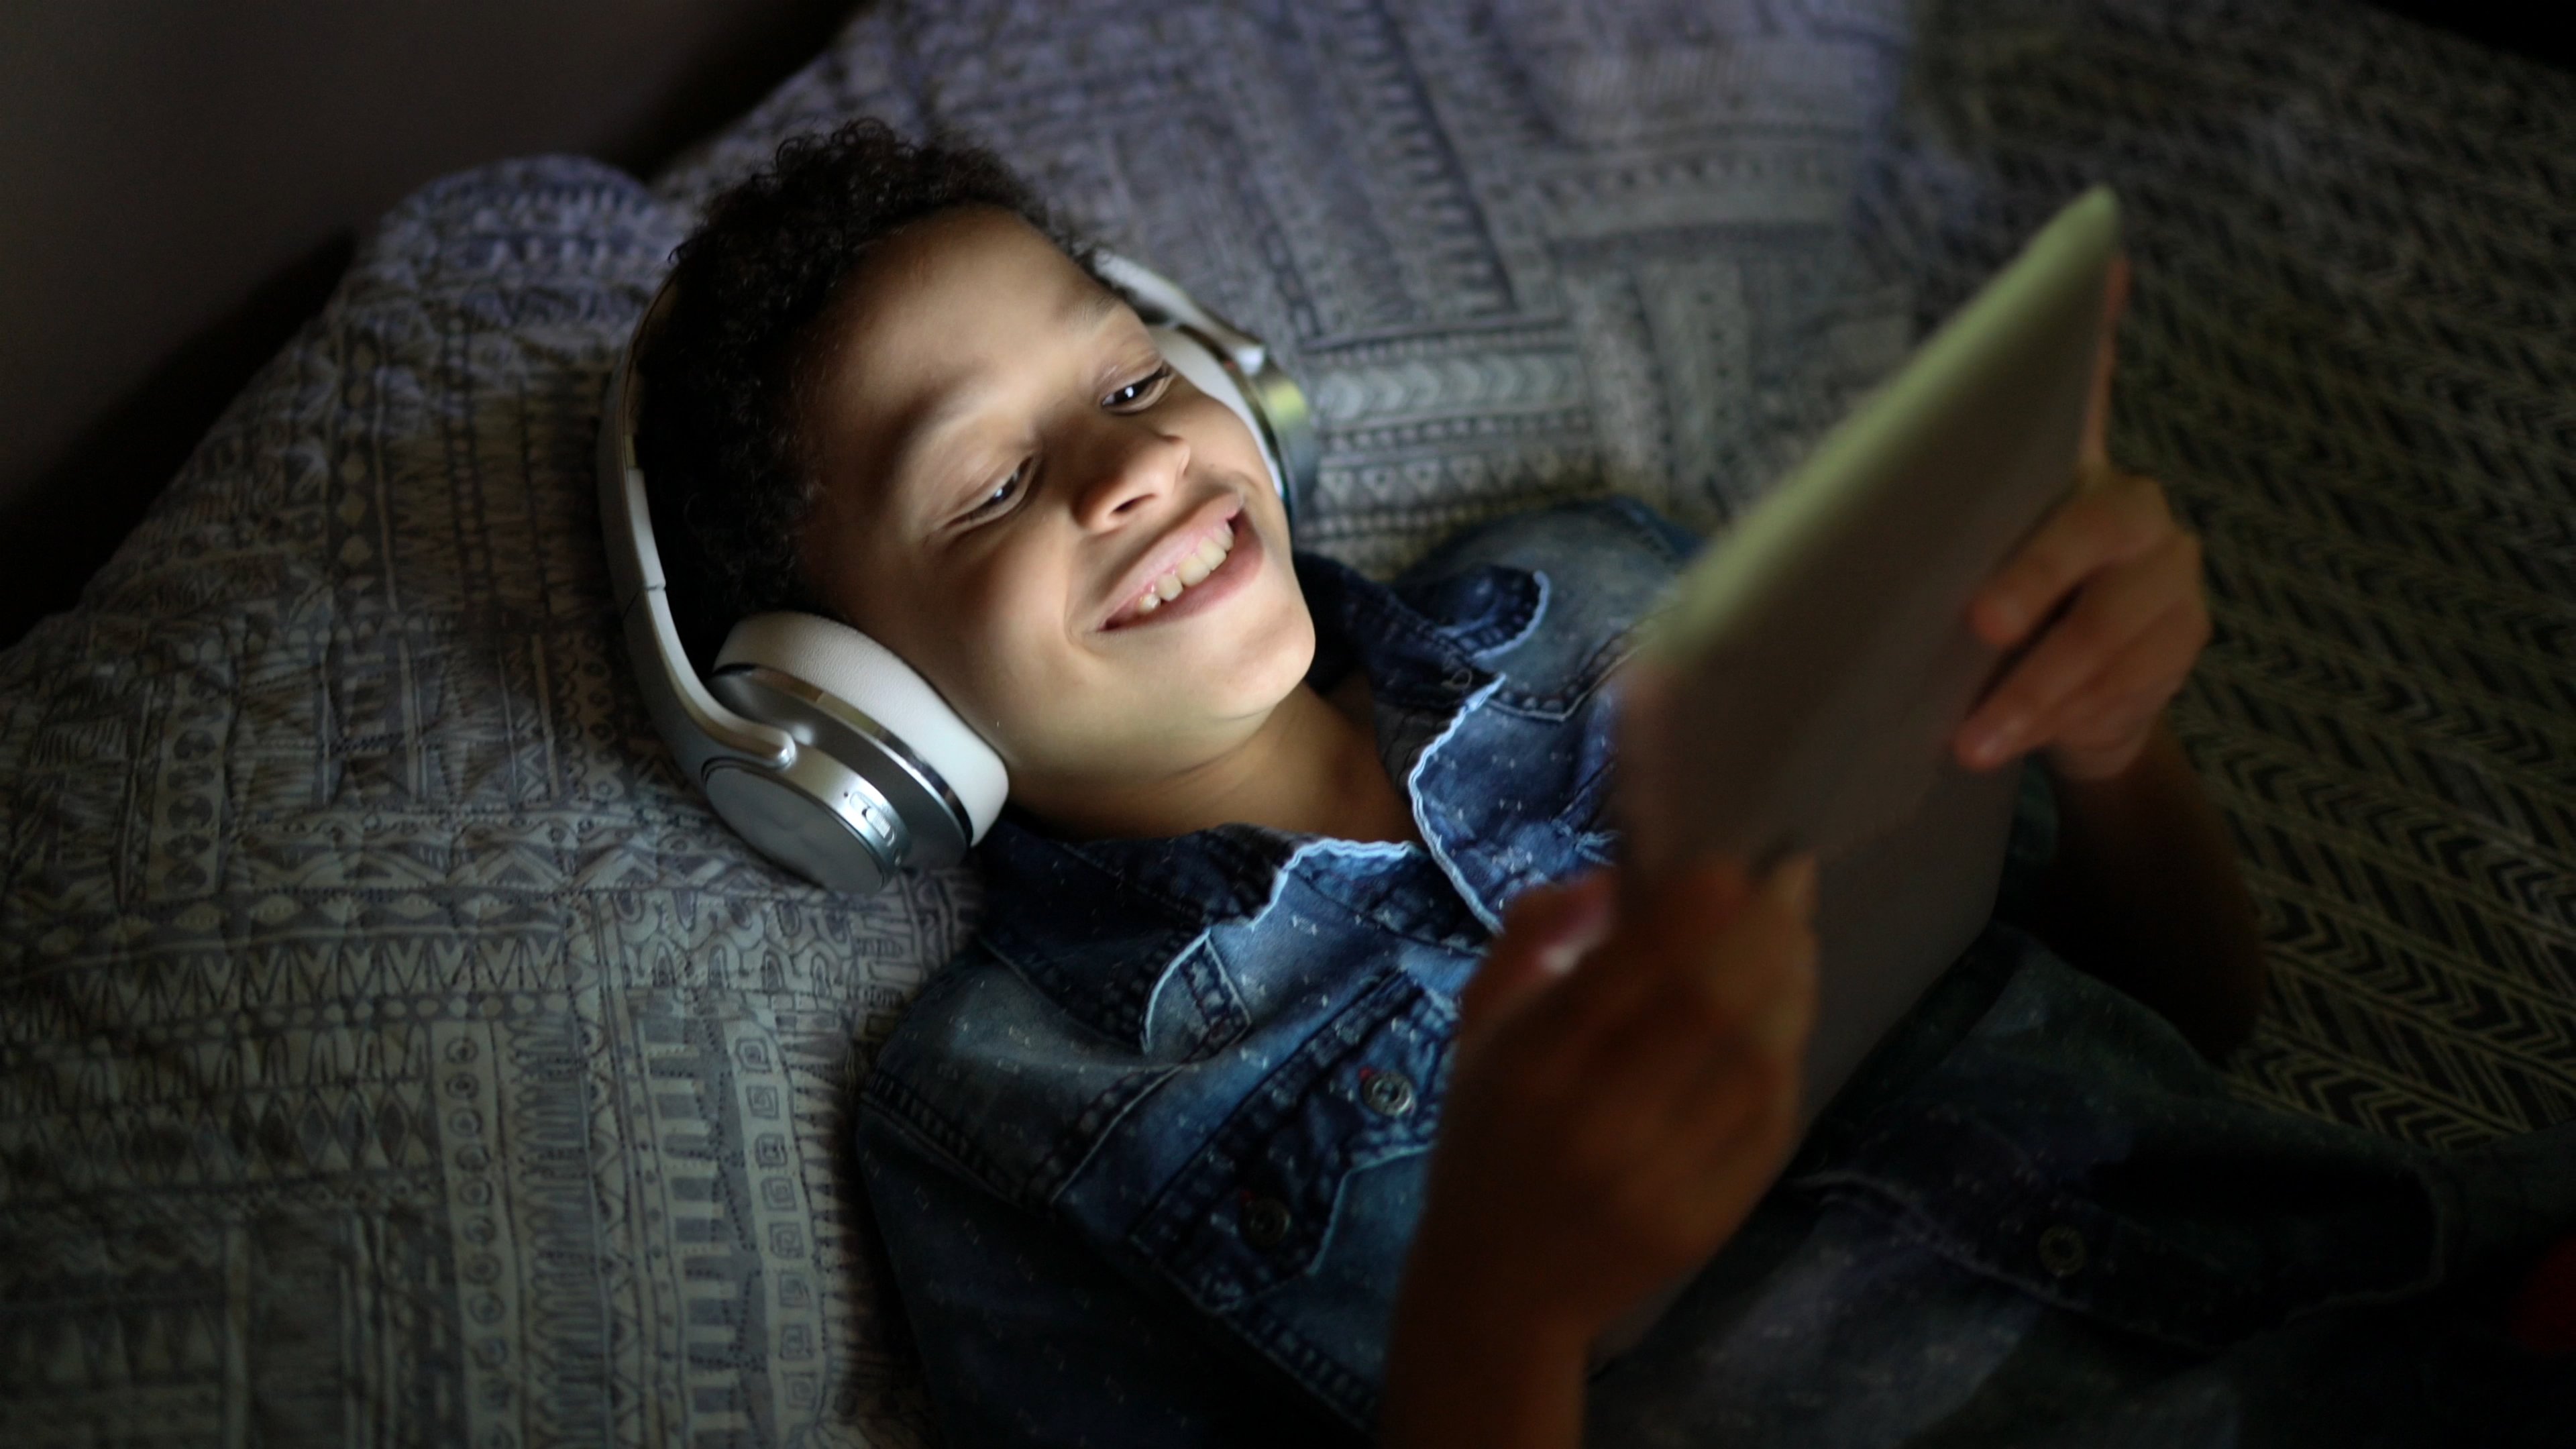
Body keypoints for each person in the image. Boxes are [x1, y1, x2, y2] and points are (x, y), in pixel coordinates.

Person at [634, 121, 2576, 1448]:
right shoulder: (1004, 1119)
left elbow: (2197, 1013)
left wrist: (2100, 724)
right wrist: (1510, 1319)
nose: (1127, 469)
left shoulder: (1611, 583)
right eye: (981, 486)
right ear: (852, 709)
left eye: (1135, 380)